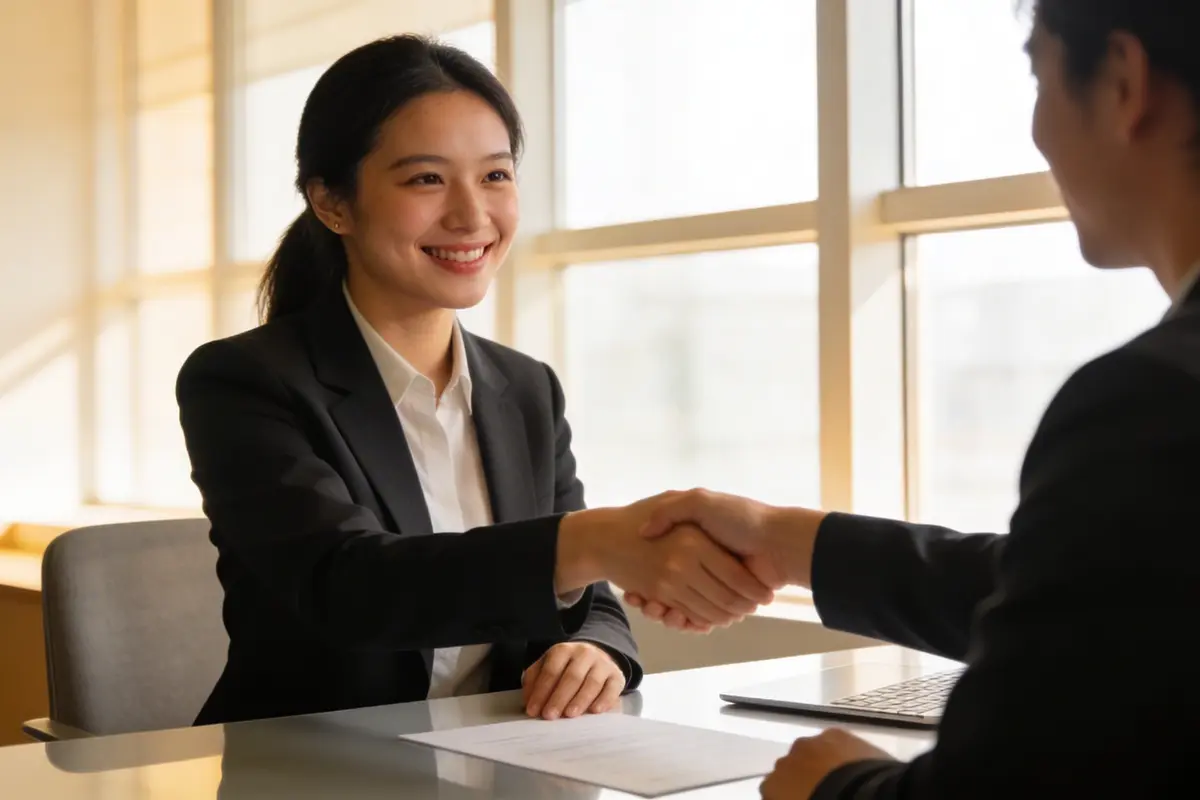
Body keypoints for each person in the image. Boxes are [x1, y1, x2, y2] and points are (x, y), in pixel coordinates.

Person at [627, 1, 1200, 797]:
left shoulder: (1147, 402)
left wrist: (836, 783)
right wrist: (789, 541)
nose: (1035, 130)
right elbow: (1092, 598)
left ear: (1124, 83)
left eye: (1039, 75)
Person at [176, 35, 774, 727]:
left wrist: (596, 652)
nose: (472, 215)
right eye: (426, 179)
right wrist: (590, 541)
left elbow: (593, 604)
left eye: (495, 175)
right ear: (333, 203)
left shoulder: (526, 390)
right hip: (309, 767)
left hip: (497, 764)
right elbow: (351, 586)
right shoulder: (244, 381)